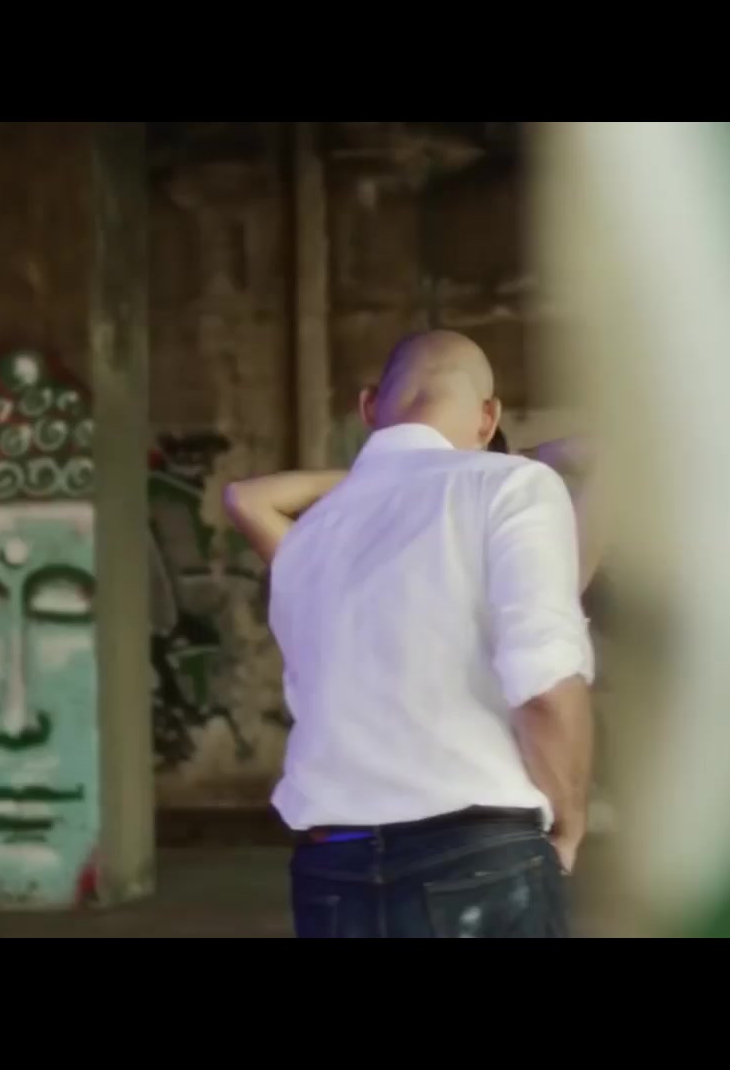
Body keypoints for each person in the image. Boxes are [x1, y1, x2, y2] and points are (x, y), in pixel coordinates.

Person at [222, 330, 594, 938]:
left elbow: (244, 497)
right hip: (477, 855)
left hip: (330, 867)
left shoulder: (310, 535)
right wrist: (571, 818)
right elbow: (545, 684)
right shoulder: (511, 487)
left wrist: (390, 475)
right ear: (489, 418)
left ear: (369, 407)